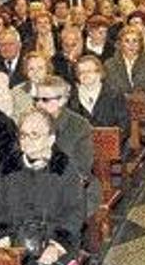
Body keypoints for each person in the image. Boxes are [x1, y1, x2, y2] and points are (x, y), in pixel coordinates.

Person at [0, 108, 86, 265]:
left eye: (35, 135)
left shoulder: (65, 169)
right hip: (15, 239)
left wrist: (56, 246)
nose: (27, 141)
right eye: (23, 135)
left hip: (54, 240)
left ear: (50, 139)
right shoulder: (9, 166)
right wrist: (1, 237)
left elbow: (74, 214)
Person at [32, 76, 100, 216]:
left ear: (62, 100)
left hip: (75, 188)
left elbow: (82, 168)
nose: (39, 104)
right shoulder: (30, 122)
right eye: (36, 99)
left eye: (45, 100)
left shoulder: (79, 126)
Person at [68, 55, 130, 144]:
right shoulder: (72, 98)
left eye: (89, 71)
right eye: (81, 72)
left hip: (112, 147)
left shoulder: (114, 95)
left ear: (99, 73)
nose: (85, 75)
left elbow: (125, 126)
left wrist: (106, 142)